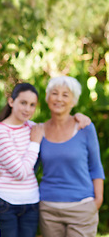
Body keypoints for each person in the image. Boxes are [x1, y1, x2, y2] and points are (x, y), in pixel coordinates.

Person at [39, 76, 105, 237]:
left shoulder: (85, 128)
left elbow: (96, 167)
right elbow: (28, 167)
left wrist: (97, 201)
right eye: (54, 93)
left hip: (82, 207)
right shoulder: (38, 130)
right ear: (48, 98)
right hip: (48, 208)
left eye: (65, 95)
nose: (59, 98)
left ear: (73, 101)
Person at [0, 83, 44, 237]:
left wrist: (80, 119)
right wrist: (35, 143)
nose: (27, 109)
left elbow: (58, 130)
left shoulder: (33, 128)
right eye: (23, 103)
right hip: (5, 203)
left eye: (32, 105)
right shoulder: (1, 131)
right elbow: (20, 172)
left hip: (31, 202)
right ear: (11, 101)